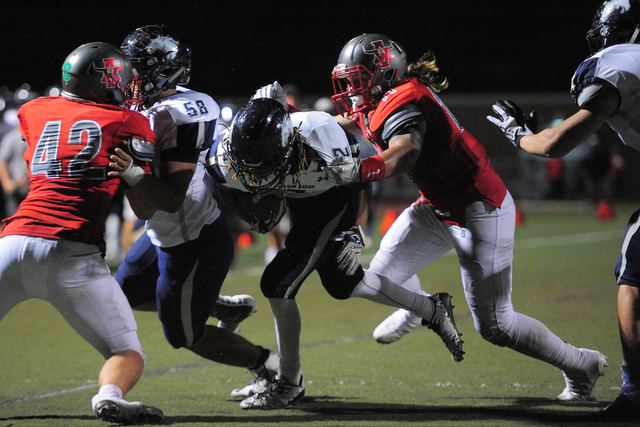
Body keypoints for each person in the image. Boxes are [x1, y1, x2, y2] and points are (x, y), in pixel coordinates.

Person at [326, 33, 607, 402]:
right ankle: (420, 307)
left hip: (479, 208)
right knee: (381, 277)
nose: (351, 89)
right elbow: (342, 120)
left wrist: (361, 169)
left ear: (384, 74)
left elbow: (405, 153)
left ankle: (581, 364)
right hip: (438, 205)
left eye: (358, 79)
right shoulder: (378, 99)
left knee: (496, 326)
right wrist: (293, 122)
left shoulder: (403, 103)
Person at [207, 94, 463, 410]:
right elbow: (225, 184)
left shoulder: (321, 140)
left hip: (329, 199)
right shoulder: (223, 154)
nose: (254, 176)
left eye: (262, 167)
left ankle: (289, 382)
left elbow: (359, 180)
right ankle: (432, 309)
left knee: (277, 282)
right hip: (297, 191)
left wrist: (355, 228)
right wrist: (249, 212)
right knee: (344, 283)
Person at [487, 0, 640, 420]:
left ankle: (636, 394)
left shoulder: (617, 63)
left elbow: (556, 145)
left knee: (634, 280)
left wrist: (518, 134)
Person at [0, 41, 164, 424]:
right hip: (71, 253)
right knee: (127, 350)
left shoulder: (33, 111)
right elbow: (147, 206)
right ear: (106, 79)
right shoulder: (129, 122)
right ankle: (109, 396)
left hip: (13, 241)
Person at [114, 25, 279, 394]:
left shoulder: (178, 112)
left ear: (161, 70)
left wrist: (129, 172)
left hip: (193, 239)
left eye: (135, 69)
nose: (128, 78)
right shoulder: (167, 103)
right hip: (165, 231)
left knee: (183, 335)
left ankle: (272, 367)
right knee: (122, 294)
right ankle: (221, 306)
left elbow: (171, 197)